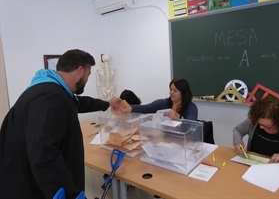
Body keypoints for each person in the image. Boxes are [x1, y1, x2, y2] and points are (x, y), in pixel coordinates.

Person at [0, 49, 121, 199]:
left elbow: (78, 103)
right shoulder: (50, 98)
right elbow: (44, 153)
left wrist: (108, 103)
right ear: (80, 71)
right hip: (27, 186)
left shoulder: (52, 89)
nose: (87, 79)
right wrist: (70, 194)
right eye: (88, 75)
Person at [233, 96, 279, 164]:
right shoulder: (254, 121)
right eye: (259, 124)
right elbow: (238, 130)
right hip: (254, 163)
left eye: (267, 126)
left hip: (278, 168)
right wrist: (238, 142)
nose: (261, 127)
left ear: (278, 122)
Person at [124, 78, 198, 121]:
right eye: (170, 89)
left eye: (175, 91)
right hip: (163, 139)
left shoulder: (191, 107)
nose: (171, 92)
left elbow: (192, 126)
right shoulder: (164, 103)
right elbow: (146, 108)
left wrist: (179, 118)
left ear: (183, 93)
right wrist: (126, 107)